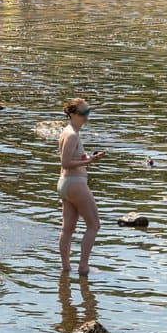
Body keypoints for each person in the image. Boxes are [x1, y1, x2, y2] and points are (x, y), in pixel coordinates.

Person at [56, 97, 103, 277]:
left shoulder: (69, 132)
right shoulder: (72, 135)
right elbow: (66, 163)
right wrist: (90, 161)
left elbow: (72, 158)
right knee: (94, 225)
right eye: (84, 113)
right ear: (72, 114)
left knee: (68, 228)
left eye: (88, 112)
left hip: (66, 184)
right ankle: (83, 267)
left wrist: (87, 157)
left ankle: (66, 268)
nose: (87, 117)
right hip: (75, 184)